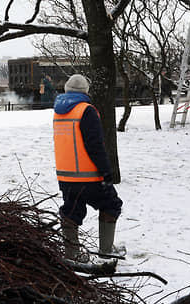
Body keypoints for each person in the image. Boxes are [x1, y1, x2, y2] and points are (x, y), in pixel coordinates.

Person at [53, 74, 123, 262]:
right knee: (112, 204)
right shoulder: (86, 111)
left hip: (66, 176)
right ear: (86, 91)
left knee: (71, 212)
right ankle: (106, 250)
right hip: (88, 175)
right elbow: (95, 145)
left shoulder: (59, 111)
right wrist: (106, 171)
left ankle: (72, 253)